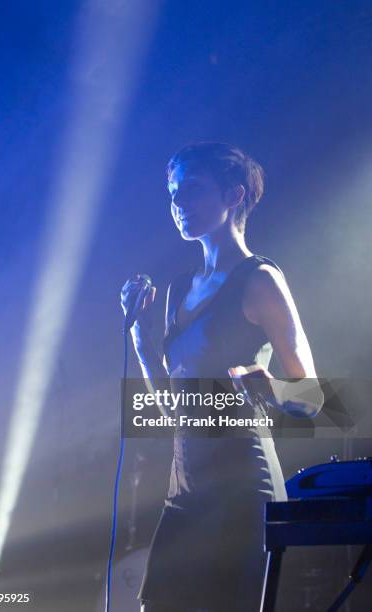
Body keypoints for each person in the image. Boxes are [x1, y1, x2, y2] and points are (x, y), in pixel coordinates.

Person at [120, 142, 323, 612]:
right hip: (185, 489)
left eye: (191, 189)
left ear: (233, 196)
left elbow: (313, 398)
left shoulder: (260, 280)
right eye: (172, 193)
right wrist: (141, 341)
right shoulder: (178, 289)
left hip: (240, 488)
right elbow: (173, 408)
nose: (177, 203)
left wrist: (269, 387)